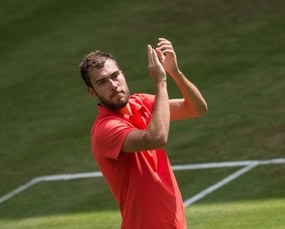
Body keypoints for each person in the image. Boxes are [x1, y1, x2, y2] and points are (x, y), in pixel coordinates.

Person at [79, 38, 207, 229]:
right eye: (102, 82)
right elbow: (157, 138)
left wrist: (175, 73)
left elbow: (197, 108)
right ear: (92, 92)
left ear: (123, 74)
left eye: (115, 76)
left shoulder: (142, 103)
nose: (113, 85)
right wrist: (161, 82)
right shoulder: (106, 129)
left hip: (174, 222)